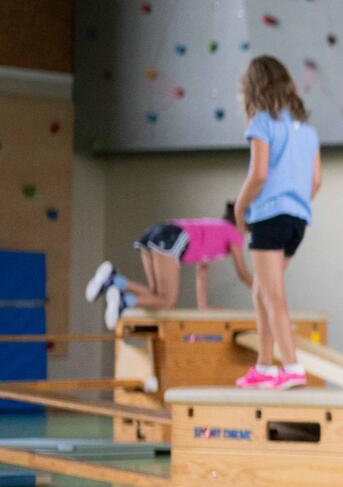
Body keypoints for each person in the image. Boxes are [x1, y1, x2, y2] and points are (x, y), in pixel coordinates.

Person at [232, 55, 321, 390]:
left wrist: (240, 211)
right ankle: (265, 366)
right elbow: (316, 180)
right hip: (298, 220)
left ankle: (292, 366)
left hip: (269, 216)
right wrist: (294, 206)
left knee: (273, 295)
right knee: (261, 290)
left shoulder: (261, 123)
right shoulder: (307, 132)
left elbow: (258, 174)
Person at [84, 203, 253, 327]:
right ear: (244, 223)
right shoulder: (234, 234)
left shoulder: (217, 228)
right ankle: (125, 300)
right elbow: (242, 273)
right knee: (168, 302)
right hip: (171, 237)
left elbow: (202, 270)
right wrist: (263, 292)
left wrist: (203, 306)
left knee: (156, 296)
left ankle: (115, 281)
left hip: (156, 232)